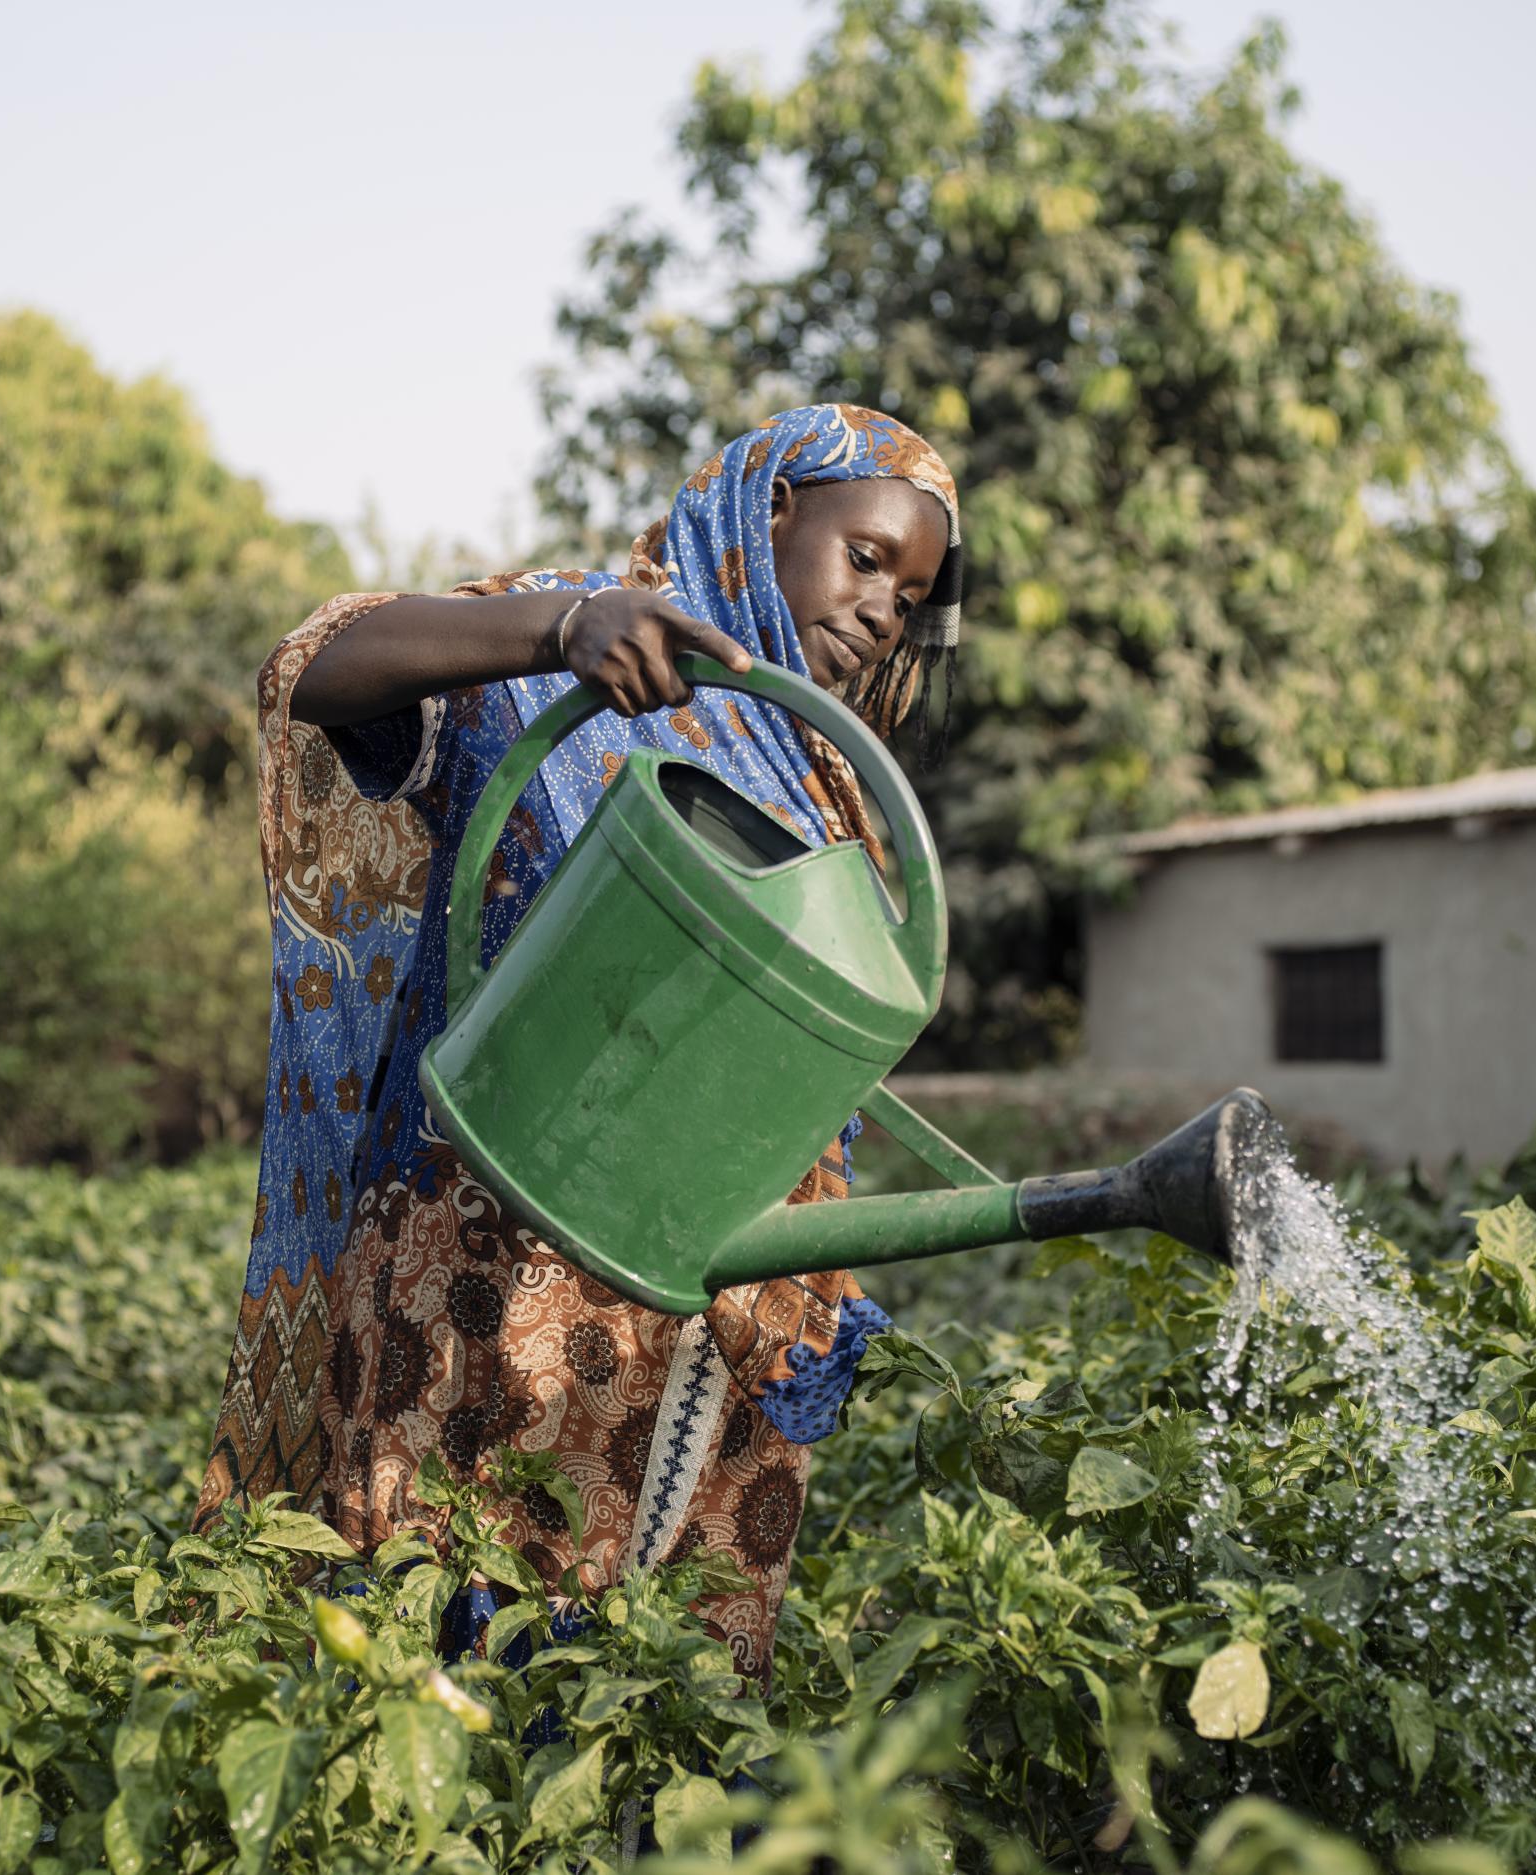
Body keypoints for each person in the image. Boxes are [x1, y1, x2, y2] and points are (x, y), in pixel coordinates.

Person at [195, 403, 963, 1679]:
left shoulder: (825, 776)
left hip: (704, 1309)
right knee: (438, 1673)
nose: (883, 608)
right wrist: (562, 628)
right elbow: (314, 668)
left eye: (912, 592)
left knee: (650, 1718)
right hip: (485, 1282)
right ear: (771, 513)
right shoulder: (582, 648)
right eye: (866, 558)